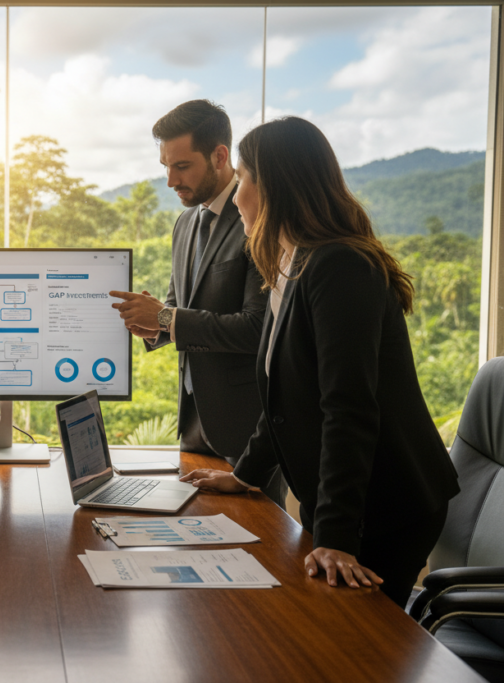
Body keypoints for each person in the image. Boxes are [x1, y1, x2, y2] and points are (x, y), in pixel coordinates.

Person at [180, 116, 460, 609]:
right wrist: (245, 474)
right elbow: (283, 400)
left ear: (275, 187)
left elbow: (347, 408)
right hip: (342, 501)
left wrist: (334, 534)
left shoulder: (340, 266)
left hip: (386, 505)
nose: (237, 194)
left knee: (352, 642)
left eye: (243, 179)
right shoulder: (290, 263)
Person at [110, 99, 285, 506]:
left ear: (220, 155)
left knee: (258, 553)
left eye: (182, 166)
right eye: (166, 167)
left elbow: (258, 328)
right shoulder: (185, 222)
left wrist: (169, 316)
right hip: (194, 426)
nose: (170, 180)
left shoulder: (257, 221)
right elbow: (177, 306)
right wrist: (153, 325)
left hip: (248, 432)